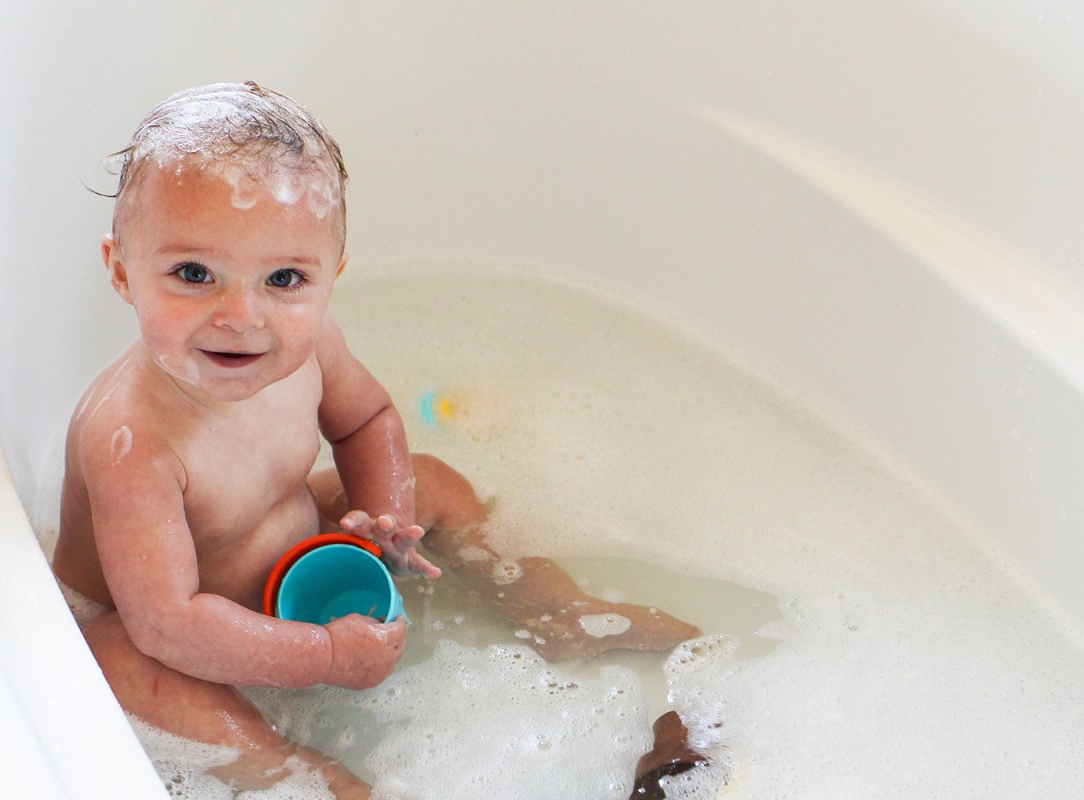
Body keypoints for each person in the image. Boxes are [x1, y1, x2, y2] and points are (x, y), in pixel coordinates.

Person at [52, 81, 701, 798]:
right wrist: (323, 654)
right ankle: (295, 772)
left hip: (297, 555)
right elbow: (167, 624)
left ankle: (555, 609)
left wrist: (386, 517)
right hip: (180, 628)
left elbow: (367, 423)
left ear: (332, 278)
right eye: (194, 274)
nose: (241, 315)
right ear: (121, 271)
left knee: (431, 480)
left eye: (285, 278)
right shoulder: (132, 440)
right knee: (115, 662)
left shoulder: (312, 347)